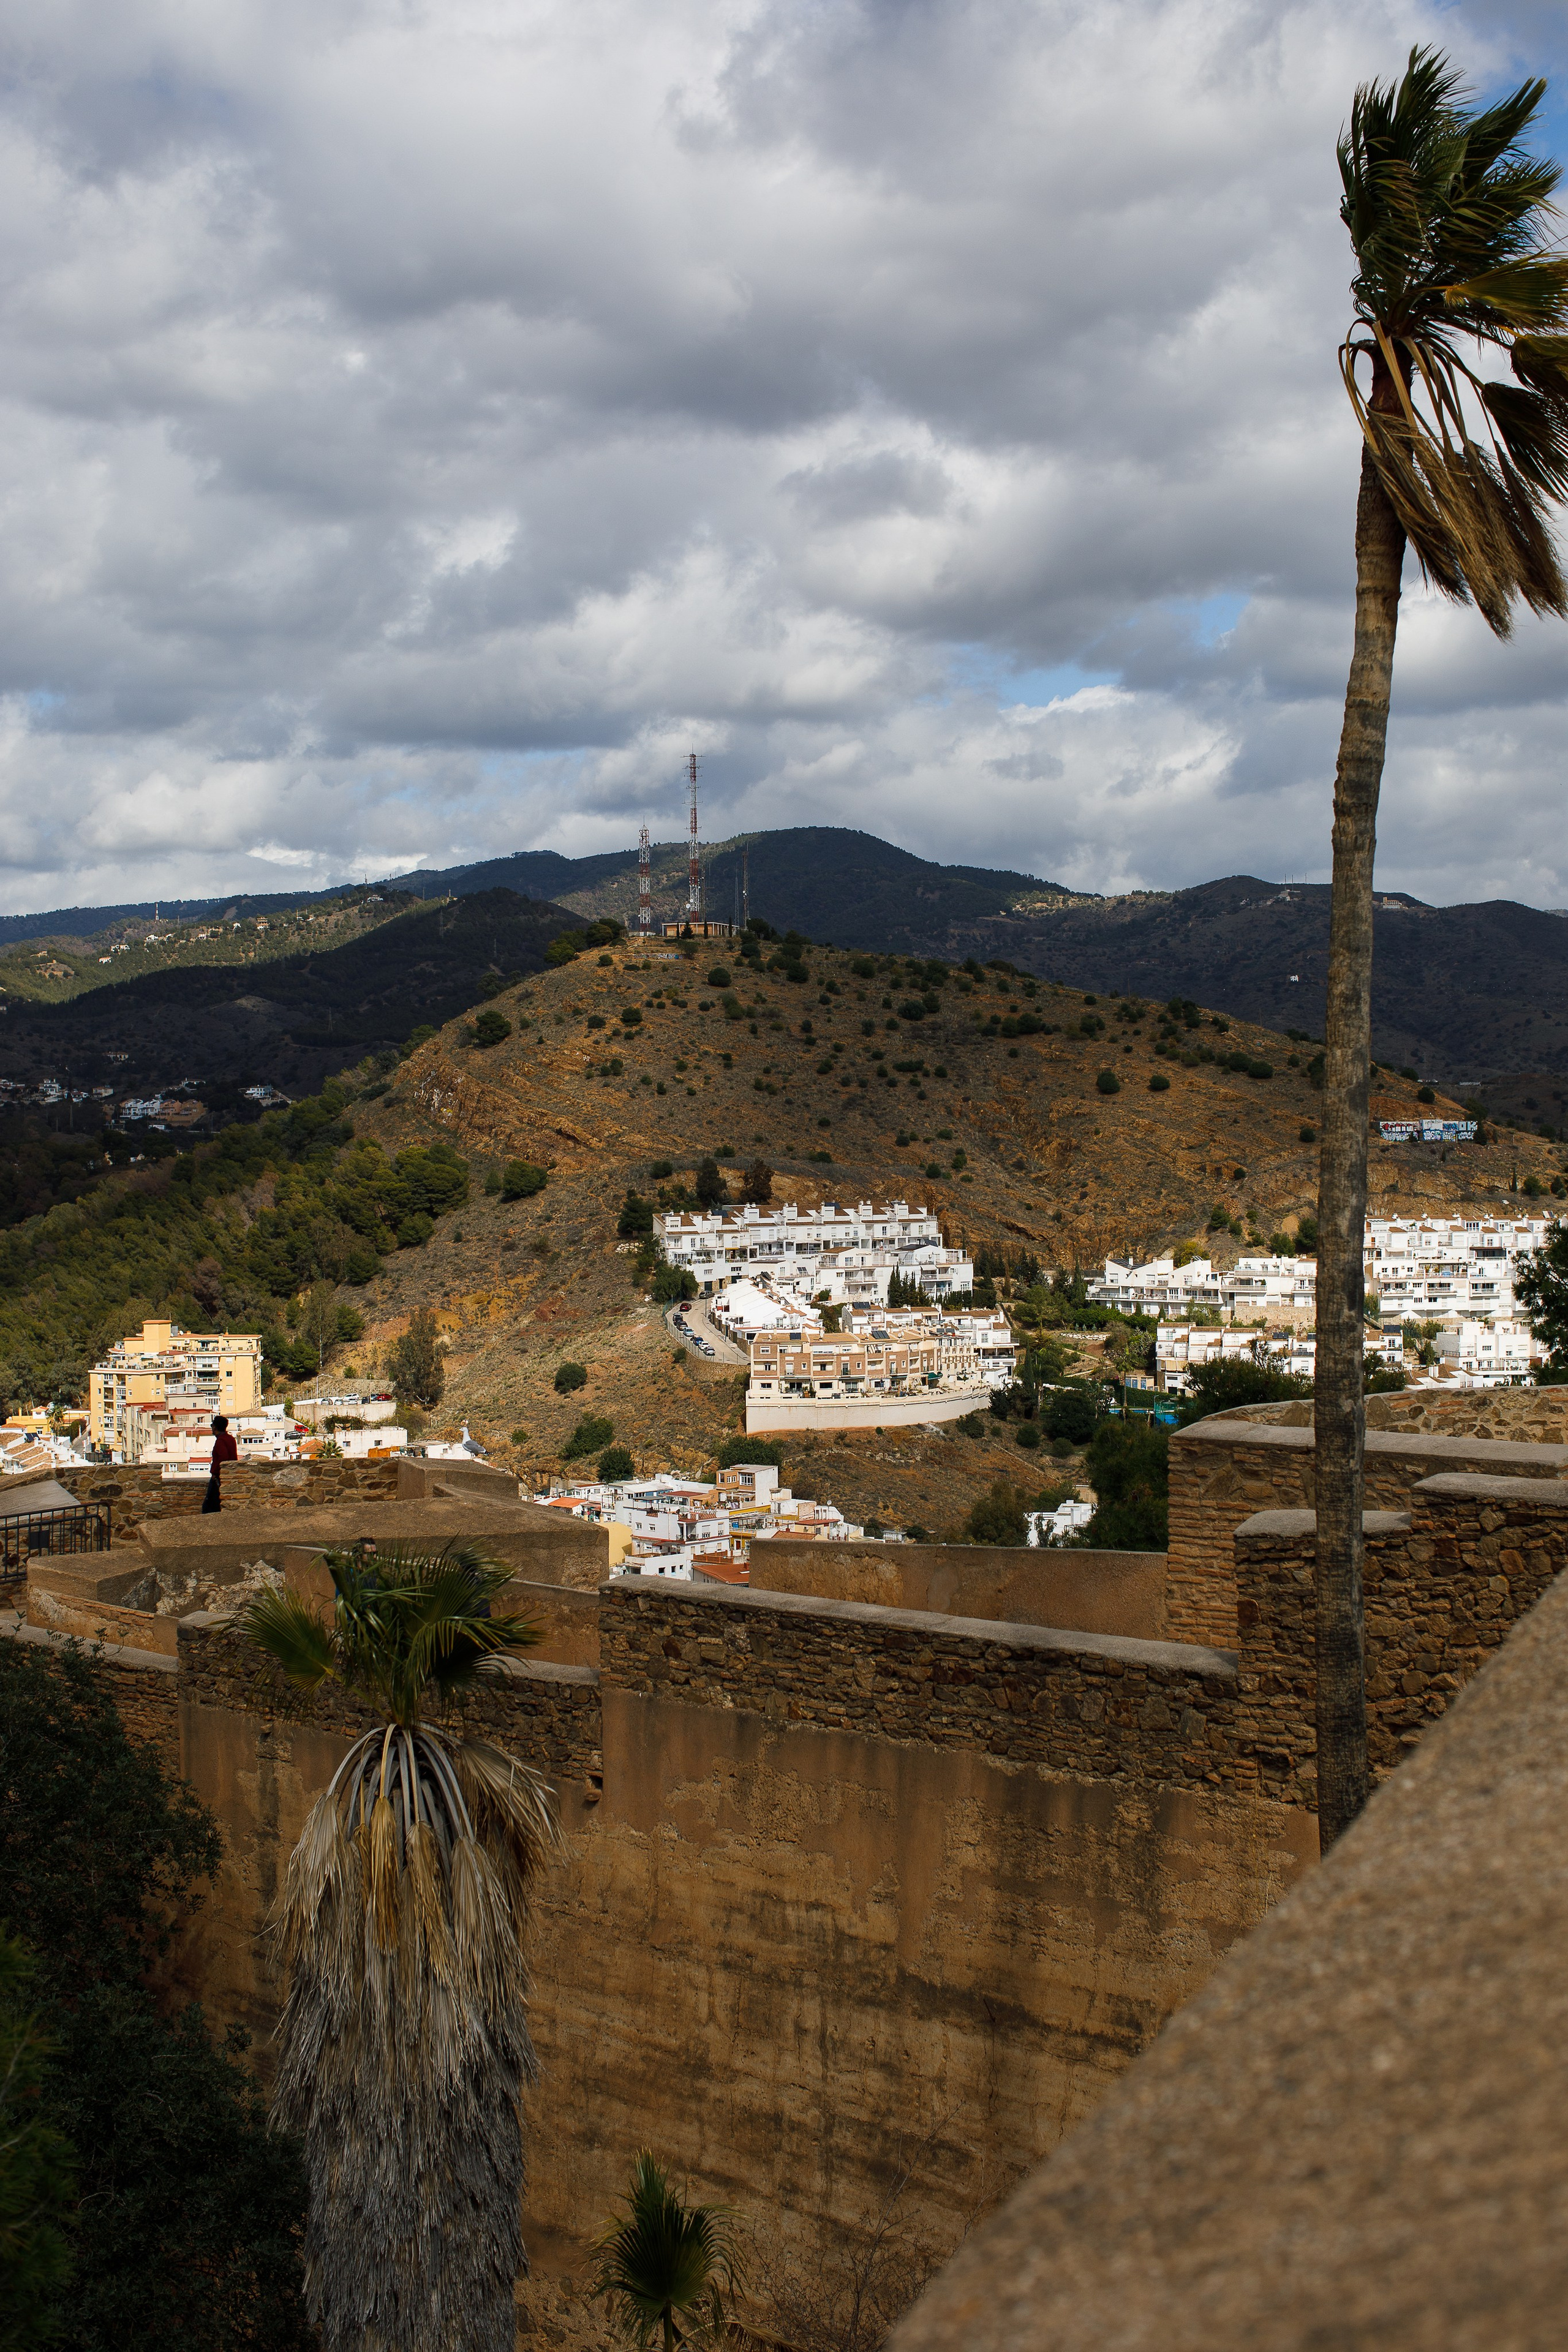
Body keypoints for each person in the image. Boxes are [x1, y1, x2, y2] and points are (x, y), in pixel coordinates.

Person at [202, 1412, 238, 1513]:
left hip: (219, 1477)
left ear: (214, 1427)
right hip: (229, 1476)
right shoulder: (230, 1439)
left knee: (209, 1506)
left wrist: (215, 1473)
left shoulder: (221, 1441)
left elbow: (223, 1458)